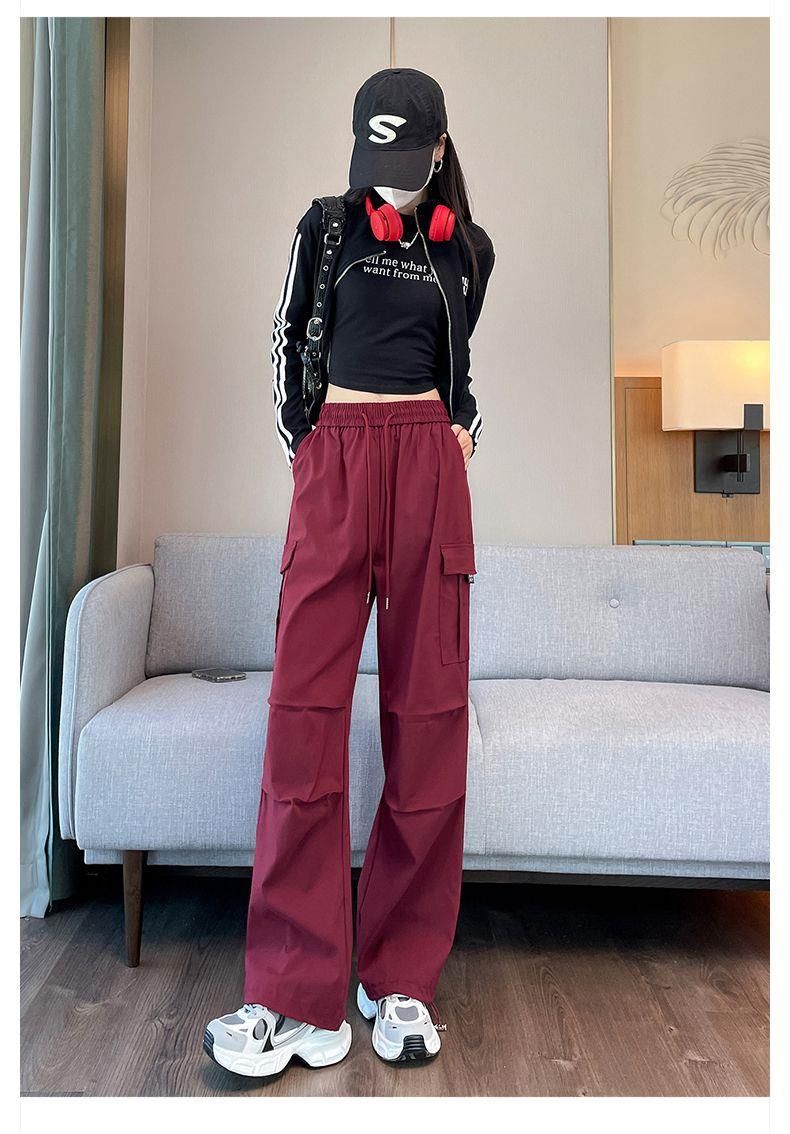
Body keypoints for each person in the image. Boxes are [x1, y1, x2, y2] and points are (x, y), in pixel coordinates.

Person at [204, 67, 495, 1078]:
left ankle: (399, 978)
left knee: (429, 723)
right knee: (303, 723)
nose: (393, 178)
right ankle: (296, 997)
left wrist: (460, 432)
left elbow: (460, 370)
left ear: (439, 148)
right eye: (379, 160)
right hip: (337, 466)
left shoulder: (468, 250)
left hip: (426, 476)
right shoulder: (324, 227)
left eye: (409, 160)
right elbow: (289, 343)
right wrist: (311, 453)